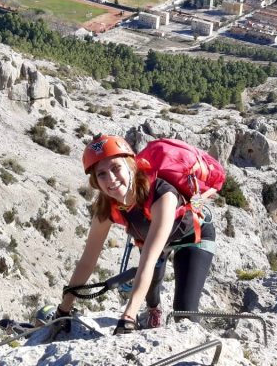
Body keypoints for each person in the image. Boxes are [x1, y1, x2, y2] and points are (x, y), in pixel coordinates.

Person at [54, 134, 217, 335]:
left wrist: (128, 317)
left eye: (116, 168)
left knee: (185, 316)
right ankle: (153, 310)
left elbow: (147, 262)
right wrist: (63, 309)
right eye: (102, 174)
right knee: (152, 294)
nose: (111, 180)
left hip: (192, 237)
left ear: (131, 166)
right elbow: (87, 261)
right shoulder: (107, 208)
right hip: (151, 240)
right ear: (95, 181)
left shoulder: (161, 196)